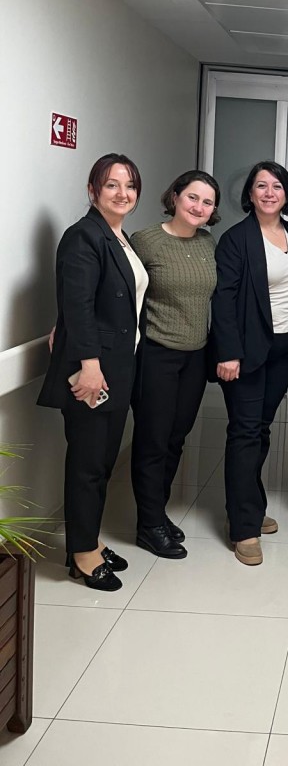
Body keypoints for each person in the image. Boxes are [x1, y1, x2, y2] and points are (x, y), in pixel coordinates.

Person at [38, 154, 148, 592]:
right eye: (111, 185)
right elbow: (78, 304)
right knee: (87, 464)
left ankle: (90, 541)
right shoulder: (83, 235)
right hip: (93, 371)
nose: (122, 193)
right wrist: (88, 364)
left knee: (101, 462)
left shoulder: (119, 237)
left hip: (117, 366)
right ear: (92, 190)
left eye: (130, 185)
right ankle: (81, 555)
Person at [210, 161, 288, 566]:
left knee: (261, 430)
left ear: (287, 194)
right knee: (246, 433)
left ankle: (248, 505)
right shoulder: (236, 239)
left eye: (277, 186)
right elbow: (223, 299)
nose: (270, 193)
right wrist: (228, 352)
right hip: (247, 352)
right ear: (249, 194)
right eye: (261, 186)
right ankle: (244, 528)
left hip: (284, 351)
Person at [129, 170, 220, 559]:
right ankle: (148, 525)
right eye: (192, 197)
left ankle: (158, 513)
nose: (198, 207)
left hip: (195, 356)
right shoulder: (145, 241)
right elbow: (120, 292)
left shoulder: (207, 243)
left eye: (207, 202)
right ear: (175, 196)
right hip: (156, 353)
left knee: (176, 438)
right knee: (153, 440)